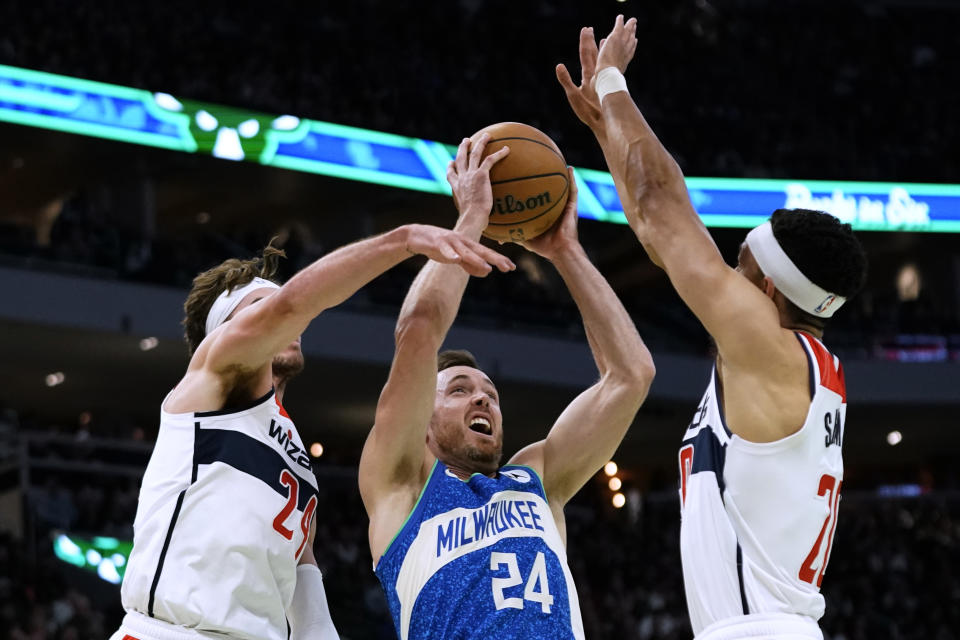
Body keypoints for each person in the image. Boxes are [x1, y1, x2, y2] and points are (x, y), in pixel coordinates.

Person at [557, 15, 869, 640]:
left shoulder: (768, 351)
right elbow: (654, 233)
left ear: (770, 290)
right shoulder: (792, 361)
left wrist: (615, 82)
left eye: (740, 266)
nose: (724, 271)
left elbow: (662, 204)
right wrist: (604, 129)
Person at [111, 221, 513, 640]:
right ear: (226, 331)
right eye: (260, 308)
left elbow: (302, 577)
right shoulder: (211, 381)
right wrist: (404, 240)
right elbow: (291, 306)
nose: (290, 321)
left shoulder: (297, 457)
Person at [358, 133, 655, 640]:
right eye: (457, 390)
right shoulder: (402, 488)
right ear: (419, 421)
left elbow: (631, 376)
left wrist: (566, 252)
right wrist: (472, 219)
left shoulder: (537, 478)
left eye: (490, 394)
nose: (481, 398)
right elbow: (419, 330)